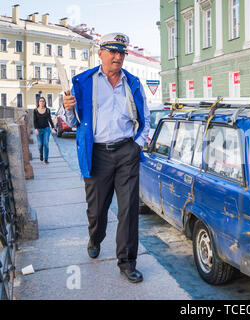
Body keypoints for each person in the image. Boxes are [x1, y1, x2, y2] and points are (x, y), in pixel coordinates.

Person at [61, 32, 150, 283]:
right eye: (112, 51)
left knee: (129, 210)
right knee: (97, 211)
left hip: (126, 152)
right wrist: (67, 107)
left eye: (121, 53)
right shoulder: (83, 81)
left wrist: (137, 145)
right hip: (96, 153)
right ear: (100, 53)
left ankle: (127, 262)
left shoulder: (132, 83)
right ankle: (95, 237)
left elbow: (146, 118)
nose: (117, 57)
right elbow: (72, 121)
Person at [33, 97, 56, 164]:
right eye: (40, 101)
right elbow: (34, 121)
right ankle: (41, 154)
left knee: (46, 144)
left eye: (43, 101)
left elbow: (50, 120)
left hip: (46, 129)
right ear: (38, 102)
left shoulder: (48, 110)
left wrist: (53, 128)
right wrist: (36, 129)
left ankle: (46, 159)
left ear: (45, 102)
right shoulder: (35, 111)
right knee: (40, 145)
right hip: (39, 130)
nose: (42, 102)